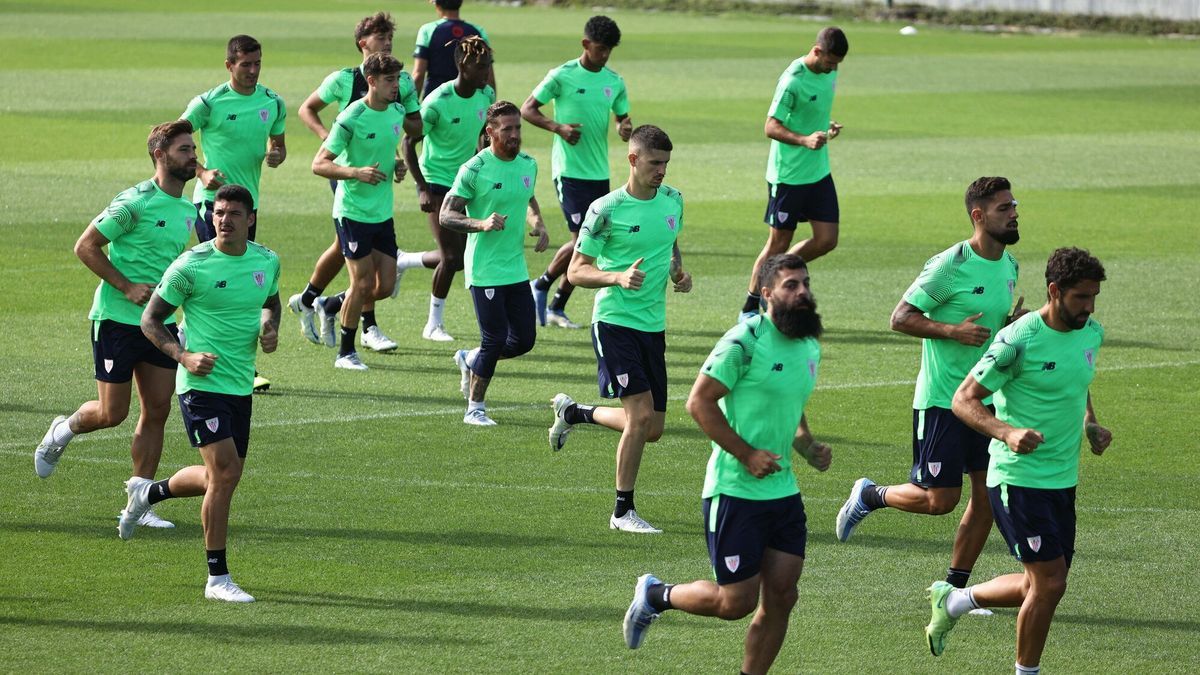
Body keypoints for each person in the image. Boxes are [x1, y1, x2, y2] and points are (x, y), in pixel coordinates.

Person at [621, 254, 832, 675]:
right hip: (735, 490)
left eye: (805, 283)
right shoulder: (744, 341)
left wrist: (805, 444)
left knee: (783, 597)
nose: (803, 291)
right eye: (792, 285)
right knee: (735, 603)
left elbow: (788, 404)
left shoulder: (808, 344)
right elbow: (698, 402)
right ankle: (655, 595)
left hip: (784, 493)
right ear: (768, 293)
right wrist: (746, 454)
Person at [834, 177, 1024, 595]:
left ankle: (955, 588)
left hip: (985, 399)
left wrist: (1008, 328)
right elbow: (900, 317)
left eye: (1014, 206)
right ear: (978, 216)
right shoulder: (949, 265)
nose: (1014, 214)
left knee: (987, 497)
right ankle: (871, 495)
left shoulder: (1009, 265)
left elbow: (989, 326)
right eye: (1003, 209)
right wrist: (951, 331)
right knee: (940, 500)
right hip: (942, 401)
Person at [926, 247, 1110, 675]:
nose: (1089, 307)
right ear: (1054, 291)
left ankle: (954, 600)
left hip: (1062, 479)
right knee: (1050, 583)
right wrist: (1006, 431)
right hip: (1017, 479)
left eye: (1094, 297)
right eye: (1081, 297)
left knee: (1038, 584)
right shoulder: (1017, 340)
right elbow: (963, 400)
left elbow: (1075, 381)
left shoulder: (1091, 332)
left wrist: (1091, 424)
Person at [33, 120, 200, 533]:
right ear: (160, 155)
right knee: (112, 413)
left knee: (157, 410)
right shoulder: (134, 201)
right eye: (183, 150)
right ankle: (62, 429)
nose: (192, 156)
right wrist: (125, 286)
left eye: (192, 149)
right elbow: (85, 245)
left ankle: (140, 501)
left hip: (158, 324)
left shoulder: (187, 208)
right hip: (116, 320)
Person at [133, 183, 282, 603]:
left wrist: (270, 327)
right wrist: (183, 357)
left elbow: (270, 301)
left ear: (250, 218)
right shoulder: (191, 265)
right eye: (218, 213)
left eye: (234, 213)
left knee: (220, 477)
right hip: (200, 385)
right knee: (228, 474)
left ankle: (149, 492)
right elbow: (151, 320)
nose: (224, 220)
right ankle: (217, 578)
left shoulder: (266, 260)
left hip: (238, 384)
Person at [547, 125, 692, 533]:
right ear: (633, 160)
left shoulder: (674, 200)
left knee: (654, 428)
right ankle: (622, 511)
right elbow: (576, 271)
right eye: (654, 163)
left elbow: (669, 240)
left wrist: (679, 272)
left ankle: (575, 413)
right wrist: (616, 277)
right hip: (614, 323)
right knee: (641, 416)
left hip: (653, 325)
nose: (661, 170)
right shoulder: (605, 209)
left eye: (666, 163)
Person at [291, 11, 435, 354]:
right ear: (363, 44)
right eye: (380, 37)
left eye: (389, 38)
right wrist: (333, 141)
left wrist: (395, 146)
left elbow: (414, 125)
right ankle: (363, 328)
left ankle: (315, 300)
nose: (386, 42)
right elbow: (307, 109)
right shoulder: (344, 80)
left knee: (349, 251)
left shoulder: (397, 88)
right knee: (359, 258)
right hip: (347, 171)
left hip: (377, 168)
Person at [182, 34, 285, 391]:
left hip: (248, 206)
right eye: (246, 64)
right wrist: (201, 171)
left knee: (237, 281)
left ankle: (186, 334)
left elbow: (279, 144)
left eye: (258, 63)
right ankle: (215, 357)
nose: (253, 71)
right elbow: (173, 139)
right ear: (229, 65)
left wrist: (276, 155)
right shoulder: (209, 103)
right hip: (212, 206)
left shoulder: (272, 102)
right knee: (223, 281)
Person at [440, 101, 549, 424]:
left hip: (515, 266)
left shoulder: (528, 164)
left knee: (524, 341)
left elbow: (526, 195)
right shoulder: (474, 169)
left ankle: (469, 358)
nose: (515, 134)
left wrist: (538, 223)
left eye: (518, 128)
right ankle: (475, 407)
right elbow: (447, 214)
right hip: (485, 269)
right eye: (508, 129)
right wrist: (481, 223)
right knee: (495, 339)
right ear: (490, 132)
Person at [522, 15, 631, 329]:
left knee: (592, 242)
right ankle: (541, 286)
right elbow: (528, 108)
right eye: (600, 49)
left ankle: (553, 302)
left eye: (609, 50)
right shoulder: (562, 75)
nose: (605, 55)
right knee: (583, 240)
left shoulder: (615, 81)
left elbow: (622, 118)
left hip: (599, 171)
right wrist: (558, 127)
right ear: (586, 44)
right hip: (569, 171)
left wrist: (624, 128)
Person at [311, 53, 413, 371]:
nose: (396, 86)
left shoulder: (397, 112)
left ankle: (330, 304)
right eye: (389, 80)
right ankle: (345, 353)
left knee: (383, 286)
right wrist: (356, 172)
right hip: (352, 211)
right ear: (371, 81)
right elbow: (319, 164)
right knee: (363, 283)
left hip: (382, 212)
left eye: (397, 79)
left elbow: (386, 146)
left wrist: (396, 165)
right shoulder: (351, 117)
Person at [739, 26, 848, 323]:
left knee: (827, 239)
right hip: (788, 176)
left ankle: (782, 272)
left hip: (818, 171)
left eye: (837, 63)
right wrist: (804, 140)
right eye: (829, 61)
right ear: (817, 50)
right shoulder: (792, 81)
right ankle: (750, 305)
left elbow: (812, 112)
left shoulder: (829, 73)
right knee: (777, 244)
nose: (833, 68)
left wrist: (826, 128)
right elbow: (770, 126)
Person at [403, 36, 496, 342]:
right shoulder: (438, 101)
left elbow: (483, 135)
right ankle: (433, 324)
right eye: (480, 66)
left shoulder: (486, 96)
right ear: (462, 65)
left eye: (488, 65)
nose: (486, 71)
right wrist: (421, 188)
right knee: (453, 259)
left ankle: (405, 260)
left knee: (462, 252)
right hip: (437, 181)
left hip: (465, 182)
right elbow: (408, 142)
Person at [411, 0, 496, 99]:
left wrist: (411, 108)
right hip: (471, 101)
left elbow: (418, 74)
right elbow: (489, 77)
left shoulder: (428, 30)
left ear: (437, 5)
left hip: (437, 99)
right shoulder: (478, 32)